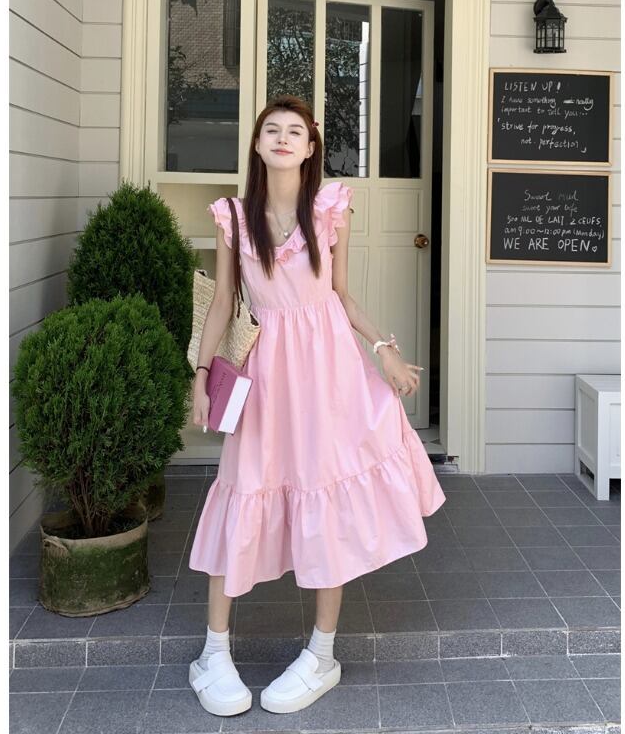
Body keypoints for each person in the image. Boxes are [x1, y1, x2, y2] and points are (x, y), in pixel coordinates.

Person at [187, 94, 447, 717]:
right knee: (242, 487)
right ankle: (213, 652)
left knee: (326, 495)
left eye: (295, 131)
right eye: (271, 129)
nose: (282, 138)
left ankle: (321, 653)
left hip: (330, 376)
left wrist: (384, 350)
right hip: (265, 376)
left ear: (310, 149)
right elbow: (222, 303)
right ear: (257, 145)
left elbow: (342, 296)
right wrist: (200, 373)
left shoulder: (330, 209)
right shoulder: (233, 217)